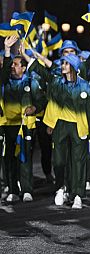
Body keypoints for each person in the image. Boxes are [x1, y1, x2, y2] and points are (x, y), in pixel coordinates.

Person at [25, 53, 90, 209]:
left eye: (66, 64)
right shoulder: (56, 81)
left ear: (73, 66)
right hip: (60, 126)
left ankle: (78, 195)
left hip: (78, 127)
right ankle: (61, 188)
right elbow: (41, 70)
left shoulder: (84, 85)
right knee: (59, 162)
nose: (62, 66)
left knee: (78, 162)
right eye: (62, 63)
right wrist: (24, 55)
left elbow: (89, 111)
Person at [0, 35, 46, 202]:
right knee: (9, 159)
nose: (13, 67)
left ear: (25, 68)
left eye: (17, 64)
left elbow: (42, 100)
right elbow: (4, 70)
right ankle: (12, 190)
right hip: (7, 125)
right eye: (12, 64)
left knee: (24, 157)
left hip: (26, 125)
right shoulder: (5, 82)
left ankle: (27, 190)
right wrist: (7, 50)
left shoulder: (31, 82)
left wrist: (35, 108)